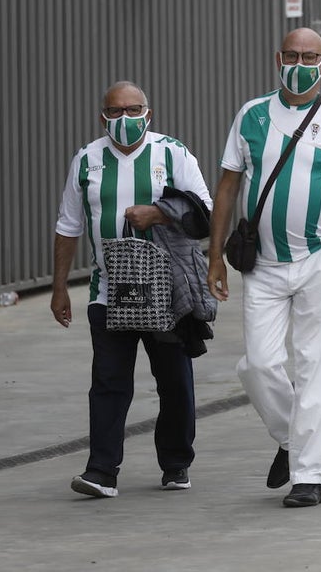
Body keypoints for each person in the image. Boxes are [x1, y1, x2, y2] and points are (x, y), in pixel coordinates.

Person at [207, 27, 321, 508]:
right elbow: (226, 186)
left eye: (310, 57)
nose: (299, 64)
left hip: (317, 261)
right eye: (291, 55)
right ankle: (290, 439)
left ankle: (310, 474)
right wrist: (214, 256)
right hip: (260, 264)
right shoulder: (251, 115)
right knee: (259, 364)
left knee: (314, 368)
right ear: (277, 58)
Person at [52, 81, 213, 498]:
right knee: (108, 381)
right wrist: (58, 288)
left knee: (174, 380)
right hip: (108, 291)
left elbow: (205, 212)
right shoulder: (86, 160)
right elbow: (68, 227)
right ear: (102, 115)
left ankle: (176, 463)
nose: (124, 119)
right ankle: (101, 471)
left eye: (133, 109)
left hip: (165, 293)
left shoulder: (172, 153)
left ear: (149, 111)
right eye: (115, 111)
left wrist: (158, 213)